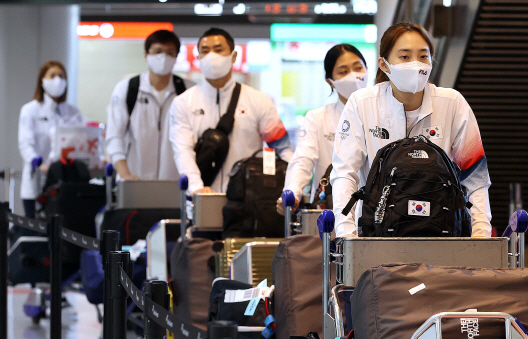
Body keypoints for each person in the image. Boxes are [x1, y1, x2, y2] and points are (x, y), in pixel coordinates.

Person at [331, 22, 492, 238]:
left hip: (442, 232)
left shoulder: (452, 103)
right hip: (377, 233)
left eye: (423, 56)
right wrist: (346, 236)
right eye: (405, 57)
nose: (415, 64)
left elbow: (475, 177)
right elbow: (344, 174)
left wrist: (481, 235)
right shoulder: (362, 104)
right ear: (384, 64)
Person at [170, 27, 294, 195]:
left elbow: (283, 148)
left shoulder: (258, 100)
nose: (211, 56)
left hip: (248, 202)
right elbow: (183, 150)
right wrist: (197, 188)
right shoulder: (183, 102)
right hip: (203, 199)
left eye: (218, 50)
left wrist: (289, 188)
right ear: (198, 57)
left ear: (233, 56)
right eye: (205, 51)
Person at [277, 44, 368, 214]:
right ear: (330, 80)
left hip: (371, 209)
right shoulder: (317, 118)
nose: (353, 76)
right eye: (343, 71)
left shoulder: (383, 114)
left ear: (367, 69)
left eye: (358, 68)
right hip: (328, 209)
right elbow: (303, 160)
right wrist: (292, 192)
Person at [105, 30, 194, 181]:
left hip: (176, 185)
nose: (163, 57)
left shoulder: (188, 91)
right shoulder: (128, 89)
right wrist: (125, 175)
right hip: (134, 182)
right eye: (158, 51)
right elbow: (114, 137)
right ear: (146, 55)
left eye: (170, 53)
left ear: (176, 57)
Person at [18, 60, 83, 218]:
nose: (57, 80)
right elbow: (25, 143)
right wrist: (38, 163)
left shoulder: (72, 112)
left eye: (61, 76)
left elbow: (82, 141)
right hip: (37, 181)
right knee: (37, 233)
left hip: (65, 182)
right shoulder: (30, 110)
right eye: (52, 75)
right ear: (42, 80)